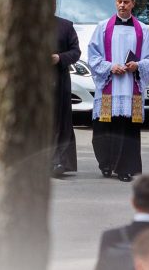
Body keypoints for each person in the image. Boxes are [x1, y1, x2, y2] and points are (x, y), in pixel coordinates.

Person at [88, 0, 149, 182]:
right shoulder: (103, 27)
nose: (122, 5)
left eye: (126, 2)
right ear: (115, 2)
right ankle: (106, 163)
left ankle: (125, 168)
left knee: (127, 129)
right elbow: (93, 56)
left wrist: (138, 65)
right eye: (119, 1)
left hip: (130, 88)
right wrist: (110, 67)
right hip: (110, 86)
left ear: (133, 3)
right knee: (104, 129)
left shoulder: (143, 30)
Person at [52, 16, 81, 177]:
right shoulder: (29, 25)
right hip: (35, 82)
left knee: (60, 122)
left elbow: (76, 52)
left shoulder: (65, 26)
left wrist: (59, 58)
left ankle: (60, 161)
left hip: (59, 82)